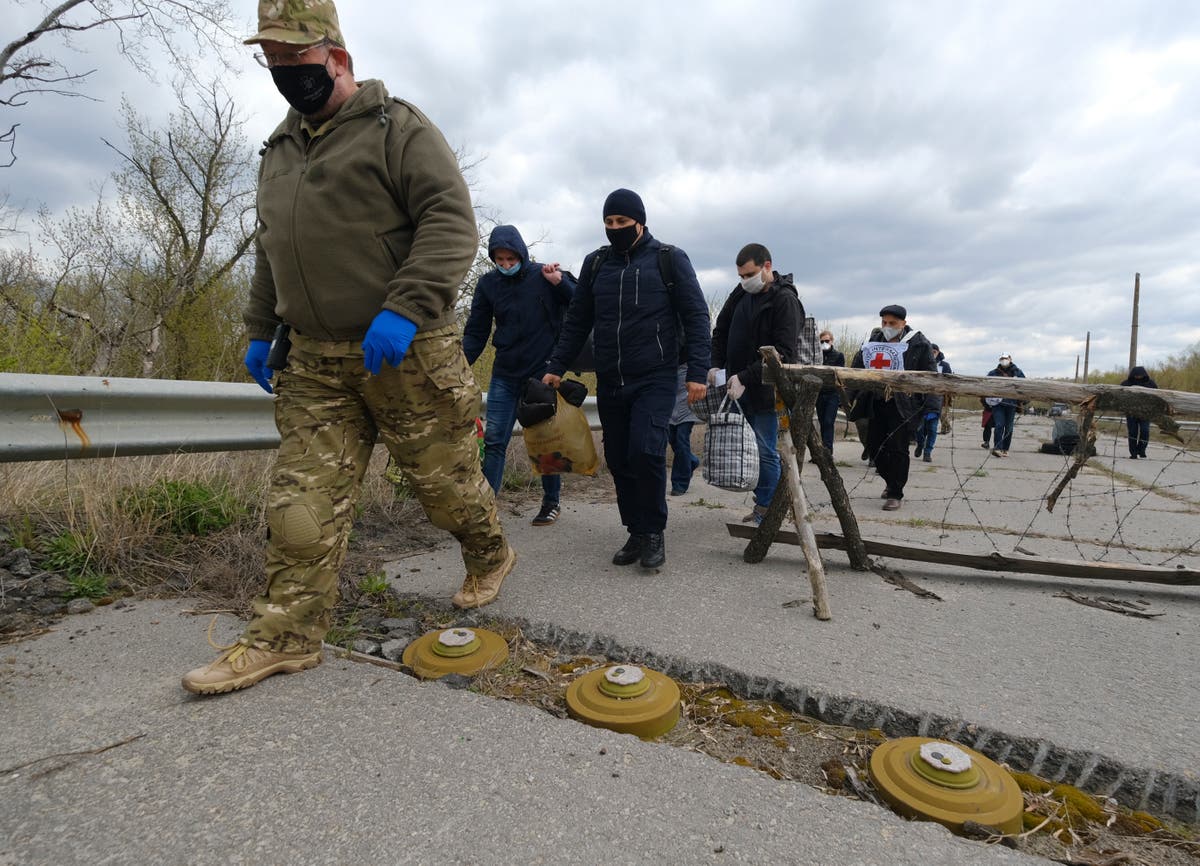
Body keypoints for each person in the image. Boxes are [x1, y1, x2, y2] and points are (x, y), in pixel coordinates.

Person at [183, 0, 514, 695]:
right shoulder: (278, 152)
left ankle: (489, 551)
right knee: (298, 511)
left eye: (295, 60)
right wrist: (260, 326)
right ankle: (286, 636)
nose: (283, 73)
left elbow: (451, 222)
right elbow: (274, 249)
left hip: (408, 355)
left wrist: (404, 309)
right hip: (315, 363)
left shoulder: (399, 129)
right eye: (271, 61)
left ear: (337, 56)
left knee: (445, 492)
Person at [543, 189, 710, 569]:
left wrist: (697, 372)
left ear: (640, 222)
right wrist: (556, 364)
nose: (615, 228)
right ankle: (635, 530)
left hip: (655, 375)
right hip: (611, 377)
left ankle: (653, 532)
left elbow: (698, 316)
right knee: (618, 457)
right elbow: (577, 319)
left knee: (646, 450)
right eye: (609, 222)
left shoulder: (669, 259)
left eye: (622, 222)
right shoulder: (596, 264)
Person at [463, 225, 576, 525]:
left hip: (540, 374)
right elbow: (476, 331)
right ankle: (485, 510)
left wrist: (560, 283)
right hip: (505, 373)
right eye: (499, 260)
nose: (506, 265)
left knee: (544, 441)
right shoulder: (488, 285)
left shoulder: (543, 276)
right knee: (496, 440)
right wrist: (460, 365)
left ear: (521, 254)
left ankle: (551, 502)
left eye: (511, 259)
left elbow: (579, 304)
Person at [710, 243, 803, 524]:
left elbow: (782, 351)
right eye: (740, 275)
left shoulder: (784, 301)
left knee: (764, 450)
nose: (744, 280)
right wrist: (716, 364)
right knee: (746, 449)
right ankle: (762, 503)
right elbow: (721, 330)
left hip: (765, 390)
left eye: (749, 274)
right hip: (736, 387)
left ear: (767, 266)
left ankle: (769, 511)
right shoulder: (740, 294)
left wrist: (746, 376)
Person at [849, 304, 936, 511]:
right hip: (875, 401)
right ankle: (890, 480)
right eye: (884, 323)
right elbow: (856, 369)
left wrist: (931, 407)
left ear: (903, 324)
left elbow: (931, 376)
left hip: (903, 405)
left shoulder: (919, 343)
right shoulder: (873, 342)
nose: (887, 327)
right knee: (874, 447)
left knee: (898, 448)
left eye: (892, 323)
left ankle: (895, 492)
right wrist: (849, 396)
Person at [668, 362, 701, 495]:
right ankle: (691, 461)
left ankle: (679, 483)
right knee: (671, 438)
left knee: (682, 439)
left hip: (688, 396)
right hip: (669, 395)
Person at [986, 352, 1026, 457]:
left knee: (1009, 428)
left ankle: (1005, 449)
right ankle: (997, 448)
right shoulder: (993, 373)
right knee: (999, 425)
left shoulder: (1017, 372)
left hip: (1012, 404)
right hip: (997, 403)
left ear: (1010, 359)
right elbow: (986, 386)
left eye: (1006, 358)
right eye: (1002, 358)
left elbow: (1025, 385)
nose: (1004, 360)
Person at [815, 329, 845, 455]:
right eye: (821, 341)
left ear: (831, 341)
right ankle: (823, 450)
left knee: (828, 421)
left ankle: (828, 451)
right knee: (822, 422)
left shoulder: (838, 356)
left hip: (832, 393)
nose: (824, 343)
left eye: (826, 341)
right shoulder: (817, 356)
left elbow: (841, 376)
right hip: (819, 393)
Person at [1119, 365, 1158, 458]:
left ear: (1144, 374)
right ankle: (1133, 453)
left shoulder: (1150, 383)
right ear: (1133, 375)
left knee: (1145, 431)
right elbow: (1119, 396)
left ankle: (1141, 450)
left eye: (1140, 375)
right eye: (1136, 375)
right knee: (1133, 432)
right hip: (1131, 412)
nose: (1138, 377)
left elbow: (1157, 396)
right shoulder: (1126, 383)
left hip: (1146, 412)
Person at [912, 392, 943, 462]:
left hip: (935, 408)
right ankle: (920, 444)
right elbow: (916, 395)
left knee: (932, 430)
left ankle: (927, 453)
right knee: (919, 430)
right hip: (922, 410)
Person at [931, 343, 953, 433]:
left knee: (943, 413)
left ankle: (946, 427)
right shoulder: (926, 363)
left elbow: (950, 378)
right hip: (930, 392)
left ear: (938, 352)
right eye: (930, 352)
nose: (932, 353)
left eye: (934, 352)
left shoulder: (945, 365)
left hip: (943, 393)